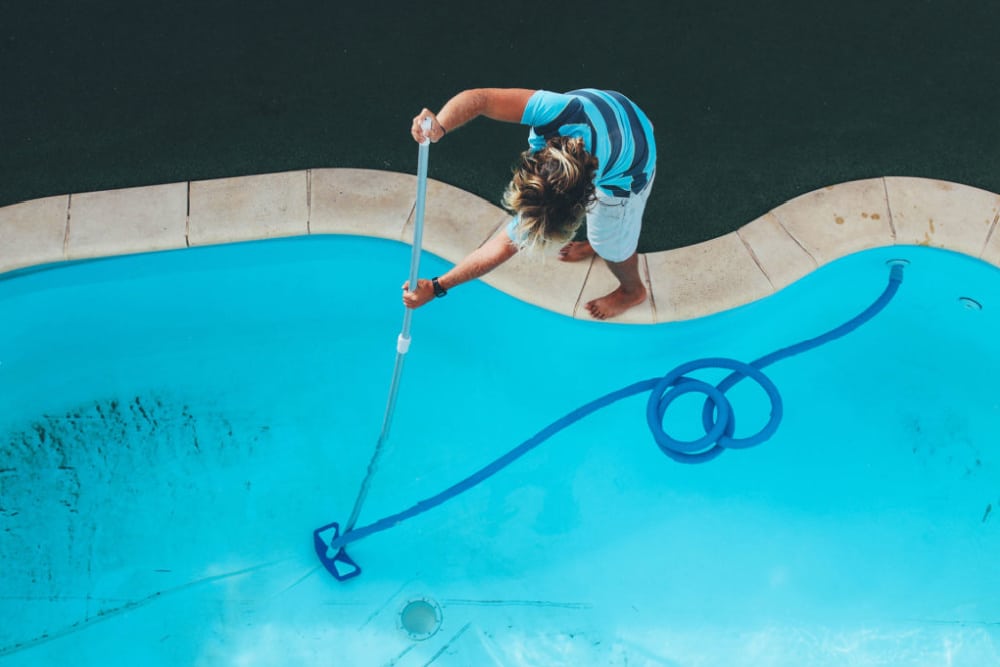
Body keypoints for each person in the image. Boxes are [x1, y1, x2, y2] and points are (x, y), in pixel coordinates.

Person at [403, 88, 656, 320]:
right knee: (600, 232)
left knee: (610, 244)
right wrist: (441, 124)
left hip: (633, 167)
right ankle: (595, 243)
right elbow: (483, 100)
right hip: (620, 114)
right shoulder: (558, 112)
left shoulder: (605, 175)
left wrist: (438, 286)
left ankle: (631, 291)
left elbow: (503, 247)